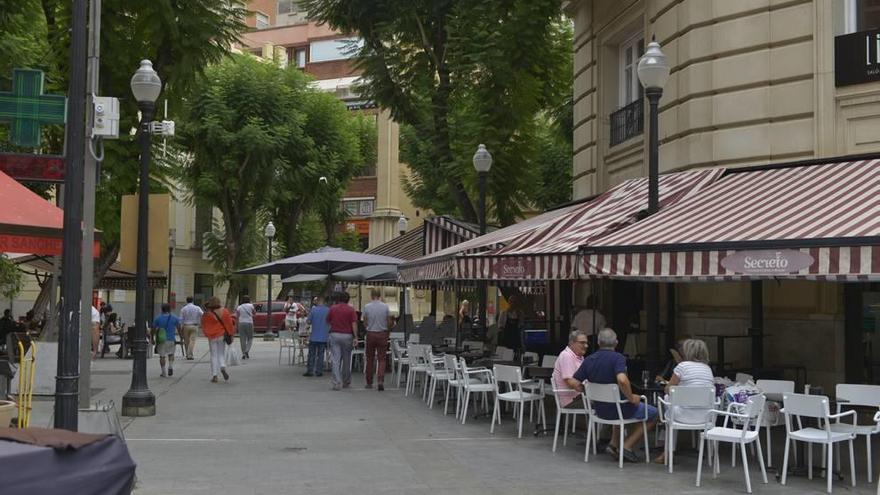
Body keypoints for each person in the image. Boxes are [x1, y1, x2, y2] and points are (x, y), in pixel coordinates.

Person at [573, 328, 658, 463]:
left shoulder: (589, 359)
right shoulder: (618, 358)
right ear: (616, 342)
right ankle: (627, 446)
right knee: (653, 413)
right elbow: (622, 380)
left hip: (600, 410)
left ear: (599, 343)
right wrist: (631, 397)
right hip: (618, 410)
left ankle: (613, 444)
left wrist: (587, 391)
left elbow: (574, 382)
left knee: (618, 405)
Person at [654, 338, 714, 464]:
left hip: (682, 416)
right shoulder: (707, 369)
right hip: (705, 416)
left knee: (667, 401)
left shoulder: (682, 366)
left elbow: (668, 389)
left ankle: (667, 452)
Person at [326, 291, 358, 391]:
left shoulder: (332, 308)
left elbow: (328, 321)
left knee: (336, 359)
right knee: (347, 359)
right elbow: (354, 324)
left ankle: (336, 382)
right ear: (348, 299)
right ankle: (346, 381)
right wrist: (355, 336)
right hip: (347, 336)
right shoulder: (351, 310)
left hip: (335, 334)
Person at [362, 288, 392, 391]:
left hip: (371, 333)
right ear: (380, 295)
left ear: (371, 295)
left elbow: (365, 321)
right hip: (382, 333)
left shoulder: (367, 307)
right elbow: (389, 321)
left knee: (369, 358)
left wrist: (368, 328)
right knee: (382, 359)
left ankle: (369, 382)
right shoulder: (385, 307)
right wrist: (387, 330)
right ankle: (380, 380)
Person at [551, 330, 590, 408]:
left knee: (605, 400)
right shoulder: (566, 356)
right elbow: (571, 382)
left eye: (586, 343)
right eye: (582, 343)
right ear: (572, 343)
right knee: (604, 403)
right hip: (571, 401)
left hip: (579, 397)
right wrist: (590, 391)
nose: (586, 346)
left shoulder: (579, 357)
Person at [202, 297, 234, 383]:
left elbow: (204, 324)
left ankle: (214, 375)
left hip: (212, 336)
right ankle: (223, 366)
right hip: (221, 335)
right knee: (221, 353)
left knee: (213, 355)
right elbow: (229, 323)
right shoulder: (225, 311)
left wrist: (207, 333)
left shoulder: (207, 313)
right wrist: (231, 334)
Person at [304, 295, 330, 377]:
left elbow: (308, 321)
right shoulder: (328, 310)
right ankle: (319, 371)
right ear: (324, 302)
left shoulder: (313, 310)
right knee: (321, 354)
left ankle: (310, 370)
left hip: (314, 336)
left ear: (318, 301)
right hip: (323, 336)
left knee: (312, 354)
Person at [151, 304, 180, 377]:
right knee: (171, 354)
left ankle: (164, 372)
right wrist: (181, 337)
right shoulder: (174, 318)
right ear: (170, 309)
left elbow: (153, 329)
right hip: (171, 339)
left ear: (162, 309)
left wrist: (152, 338)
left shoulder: (158, 318)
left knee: (162, 356)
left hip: (161, 340)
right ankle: (170, 366)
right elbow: (179, 328)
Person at [235, 295, 256, 360]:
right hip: (249, 322)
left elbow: (237, 316)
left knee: (242, 339)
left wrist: (236, 324)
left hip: (241, 323)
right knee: (250, 338)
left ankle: (243, 353)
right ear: (249, 300)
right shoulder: (251, 306)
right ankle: (247, 350)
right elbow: (254, 313)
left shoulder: (239, 307)